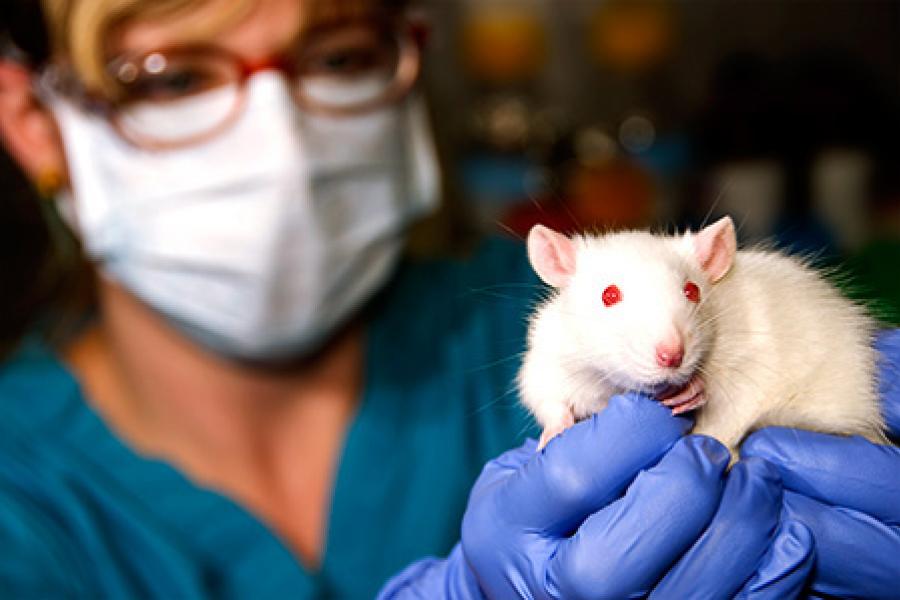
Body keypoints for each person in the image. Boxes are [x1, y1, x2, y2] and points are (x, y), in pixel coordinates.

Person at [0, 0, 898, 598]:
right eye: (171, 77)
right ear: (34, 121)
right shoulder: (25, 507)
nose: (280, 145)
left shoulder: (501, 319)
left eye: (339, 53)